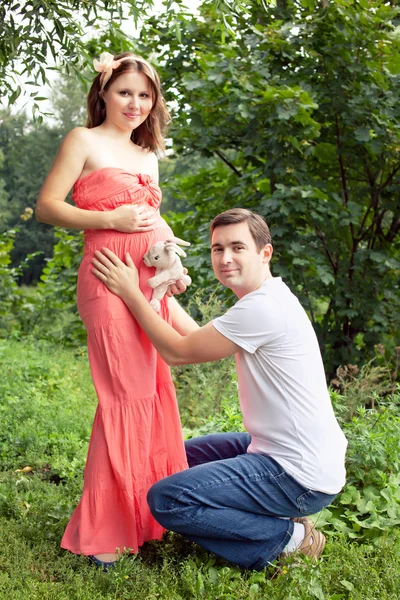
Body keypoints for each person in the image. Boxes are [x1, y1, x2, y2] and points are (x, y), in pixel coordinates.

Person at [91, 208, 348, 571]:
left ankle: (286, 540)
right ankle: (270, 519)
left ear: (265, 253)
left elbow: (178, 352)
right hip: (281, 451)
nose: (225, 258)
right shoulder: (263, 300)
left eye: (237, 247)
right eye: (217, 249)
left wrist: (130, 292)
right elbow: (197, 337)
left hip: (298, 473)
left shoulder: (264, 309)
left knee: (168, 498)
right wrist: (160, 292)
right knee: (171, 459)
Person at [35, 51, 197, 569]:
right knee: (122, 397)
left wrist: (172, 263)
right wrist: (110, 218)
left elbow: (152, 221)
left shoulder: (148, 154)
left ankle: (151, 516)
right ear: (104, 91)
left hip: (148, 282)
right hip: (108, 278)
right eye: (125, 91)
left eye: (145, 96)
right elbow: (48, 207)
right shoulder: (82, 141)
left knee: (153, 391)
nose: (135, 103)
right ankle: (105, 529)